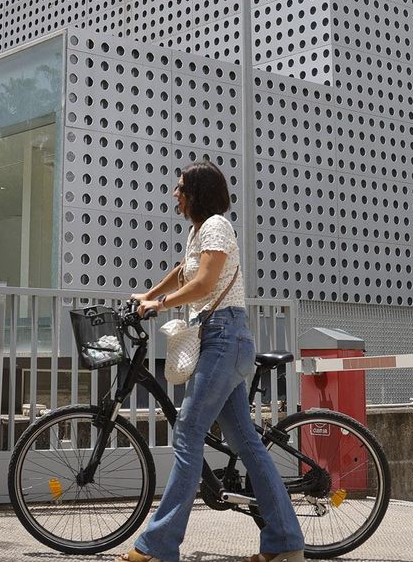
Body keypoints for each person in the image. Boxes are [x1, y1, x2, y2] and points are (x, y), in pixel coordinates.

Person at [121, 160, 305, 562]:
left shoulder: (217, 226)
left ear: (197, 193)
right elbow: (183, 270)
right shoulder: (198, 231)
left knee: (188, 430)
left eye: (180, 188)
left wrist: (160, 305)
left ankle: (158, 547)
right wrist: (147, 294)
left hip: (225, 337)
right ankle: (285, 544)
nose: (175, 194)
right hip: (220, 339)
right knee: (247, 444)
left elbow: (203, 282)